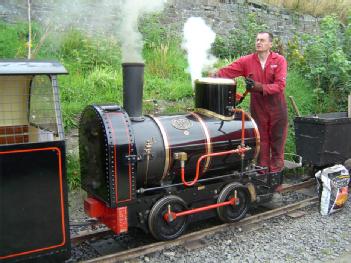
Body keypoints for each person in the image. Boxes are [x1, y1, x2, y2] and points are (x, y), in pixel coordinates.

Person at [212, 31, 288, 189]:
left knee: (277, 142)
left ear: (270, 44)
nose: (258, 42)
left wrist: (259, 87)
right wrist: (215, 74)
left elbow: (280, 86)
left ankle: (275, 181)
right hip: (258, 107)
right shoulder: (247, 61)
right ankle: (262, 177)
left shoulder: (279, 60)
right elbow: (229, 71)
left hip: (277, 108)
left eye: (262, 40)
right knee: (261, 141)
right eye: (257, 39)